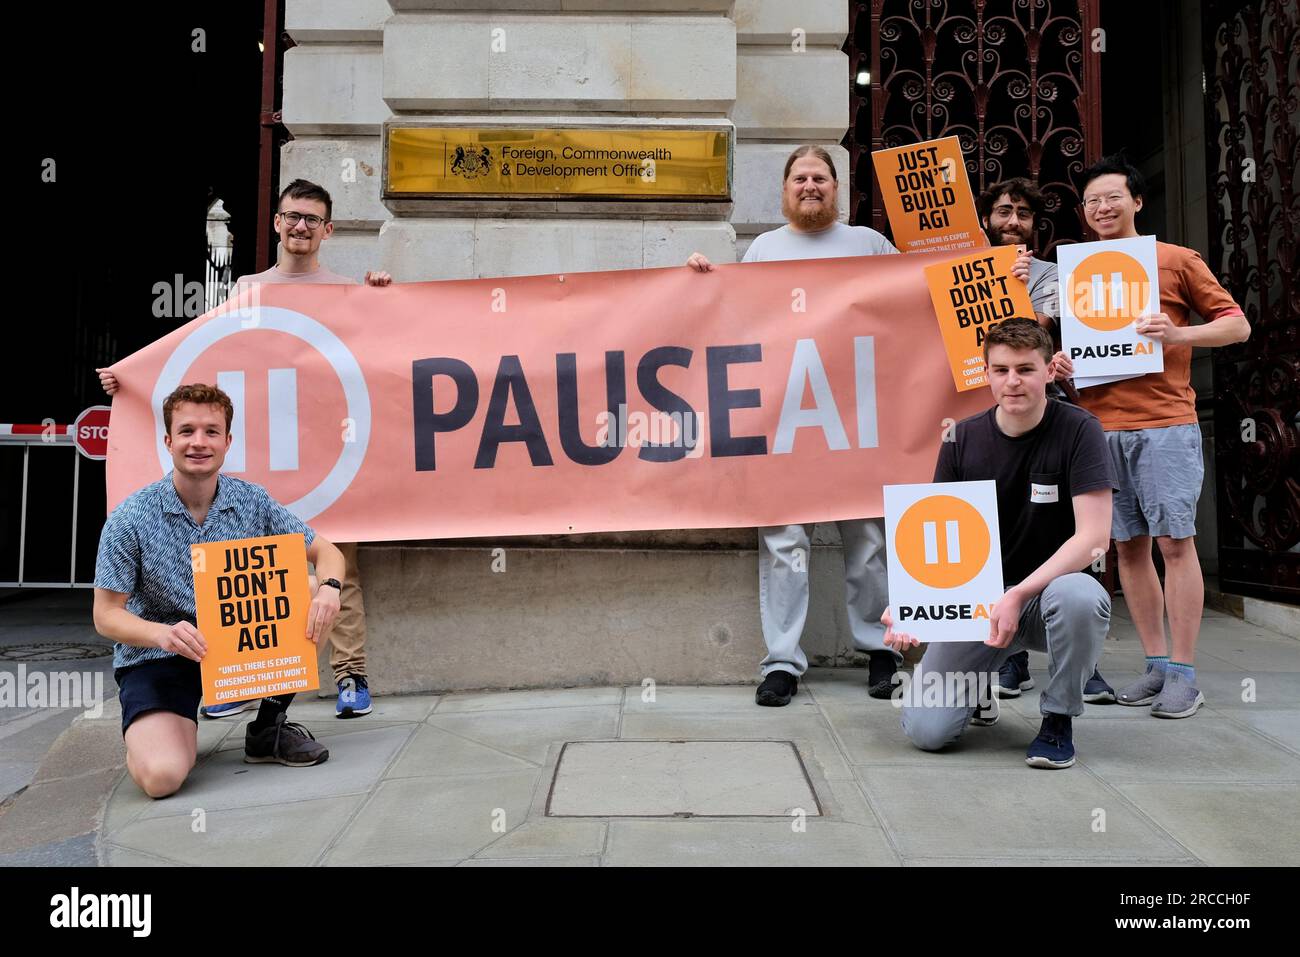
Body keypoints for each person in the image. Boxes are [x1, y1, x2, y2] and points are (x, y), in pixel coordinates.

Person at [98, 179, 388, 719]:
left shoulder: (348, 291)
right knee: (243, 572)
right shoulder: (246, 289)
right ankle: (235, 676)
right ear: (277, 223)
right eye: (291, 216)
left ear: (328, 230)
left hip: (332, 453)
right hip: (267, 455)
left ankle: (351, 675)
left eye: (312, 219)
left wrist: (380, 295)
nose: (300, 226)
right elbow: (198, 355)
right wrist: (133, 378)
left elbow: (387, 356)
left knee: (337, 563)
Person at [688, 144, 927, 705]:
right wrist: (700, 282)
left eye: (820, 177)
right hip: (786, 421)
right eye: (800, 177)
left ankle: (881, 651)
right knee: (783, 543)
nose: (810, 185)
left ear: (837, 187)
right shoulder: (764, 249)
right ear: (784, 188)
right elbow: (734, 319)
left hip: (858, 418)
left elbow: (918, 297)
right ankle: (782, 663)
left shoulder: (869, 245)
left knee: (867, 540)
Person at [1055, 154, 1249, 719]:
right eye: (1092, 201)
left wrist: (1179, 331)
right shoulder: (1076, 271)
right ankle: (1156, 664)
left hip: (1165, 424)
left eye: (1113, 197)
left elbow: (1237, 325)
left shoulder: (1175, 260)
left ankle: (1186, 673)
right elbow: (1080, 347)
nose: (1102, 208)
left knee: (1175, 543)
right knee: (1128, 549)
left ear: (1137, 202)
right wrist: (1066, 365)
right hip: (1099, 427)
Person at [93, 384, 347, 797]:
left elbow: (328, 552)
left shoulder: (251, 500)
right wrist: (163, 633)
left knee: (310, 587)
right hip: (163, 653)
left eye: (211, 431)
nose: (199, 442)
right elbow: (105, 615)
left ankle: (268, 727)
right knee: (162, 778)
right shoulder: (130, 517)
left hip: (238, 644)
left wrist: (330, 590)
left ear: (227, 441)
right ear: (168, 440)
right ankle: (161, 727)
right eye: (187, 430)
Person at [885, 318, 1116, 768]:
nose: (1013, 381)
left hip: (1050, 595)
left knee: (1080, 598)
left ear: (1050, 371)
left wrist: (1019, 593)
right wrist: (910, 602)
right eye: (1002, 369)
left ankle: (1058, 717)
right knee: (927, 732)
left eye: (1026, 369)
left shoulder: (1080, 429)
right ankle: (976, 686)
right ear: (986, 373)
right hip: (978, 603)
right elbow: (939, 534)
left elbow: (1093, 539)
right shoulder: (961, 437)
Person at [977, 177, 1116, 704]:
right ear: (987, 218)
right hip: (980, 425)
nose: (1013, 221)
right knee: (995, 530)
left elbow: (1032, 335)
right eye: (1004, 211)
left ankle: (1081, 659)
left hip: (1042, 419)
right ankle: (1010, 655)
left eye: (1024, 215)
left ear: (1036, 226)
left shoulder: (1056, 276)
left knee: (1062, 532)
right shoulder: (956, 271)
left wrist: (1014, 289)